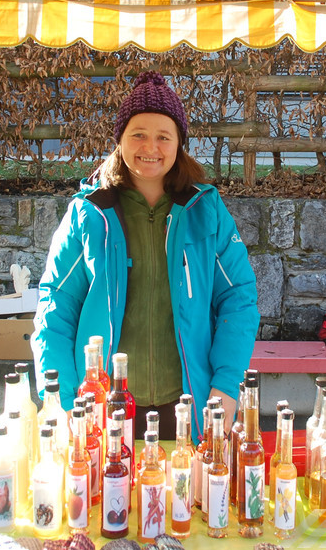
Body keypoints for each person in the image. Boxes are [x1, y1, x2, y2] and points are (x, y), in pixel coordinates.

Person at [30, 71, 260, 442]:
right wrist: (59, 397)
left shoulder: (206, 211)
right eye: (138, 134)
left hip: (190, 404)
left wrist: (227, 384)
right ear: (119, 139)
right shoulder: (88, 213)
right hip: (103, 405)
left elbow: (238, 299)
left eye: (163, 136)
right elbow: (55, 305)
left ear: (179, 144)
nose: (150, 146)